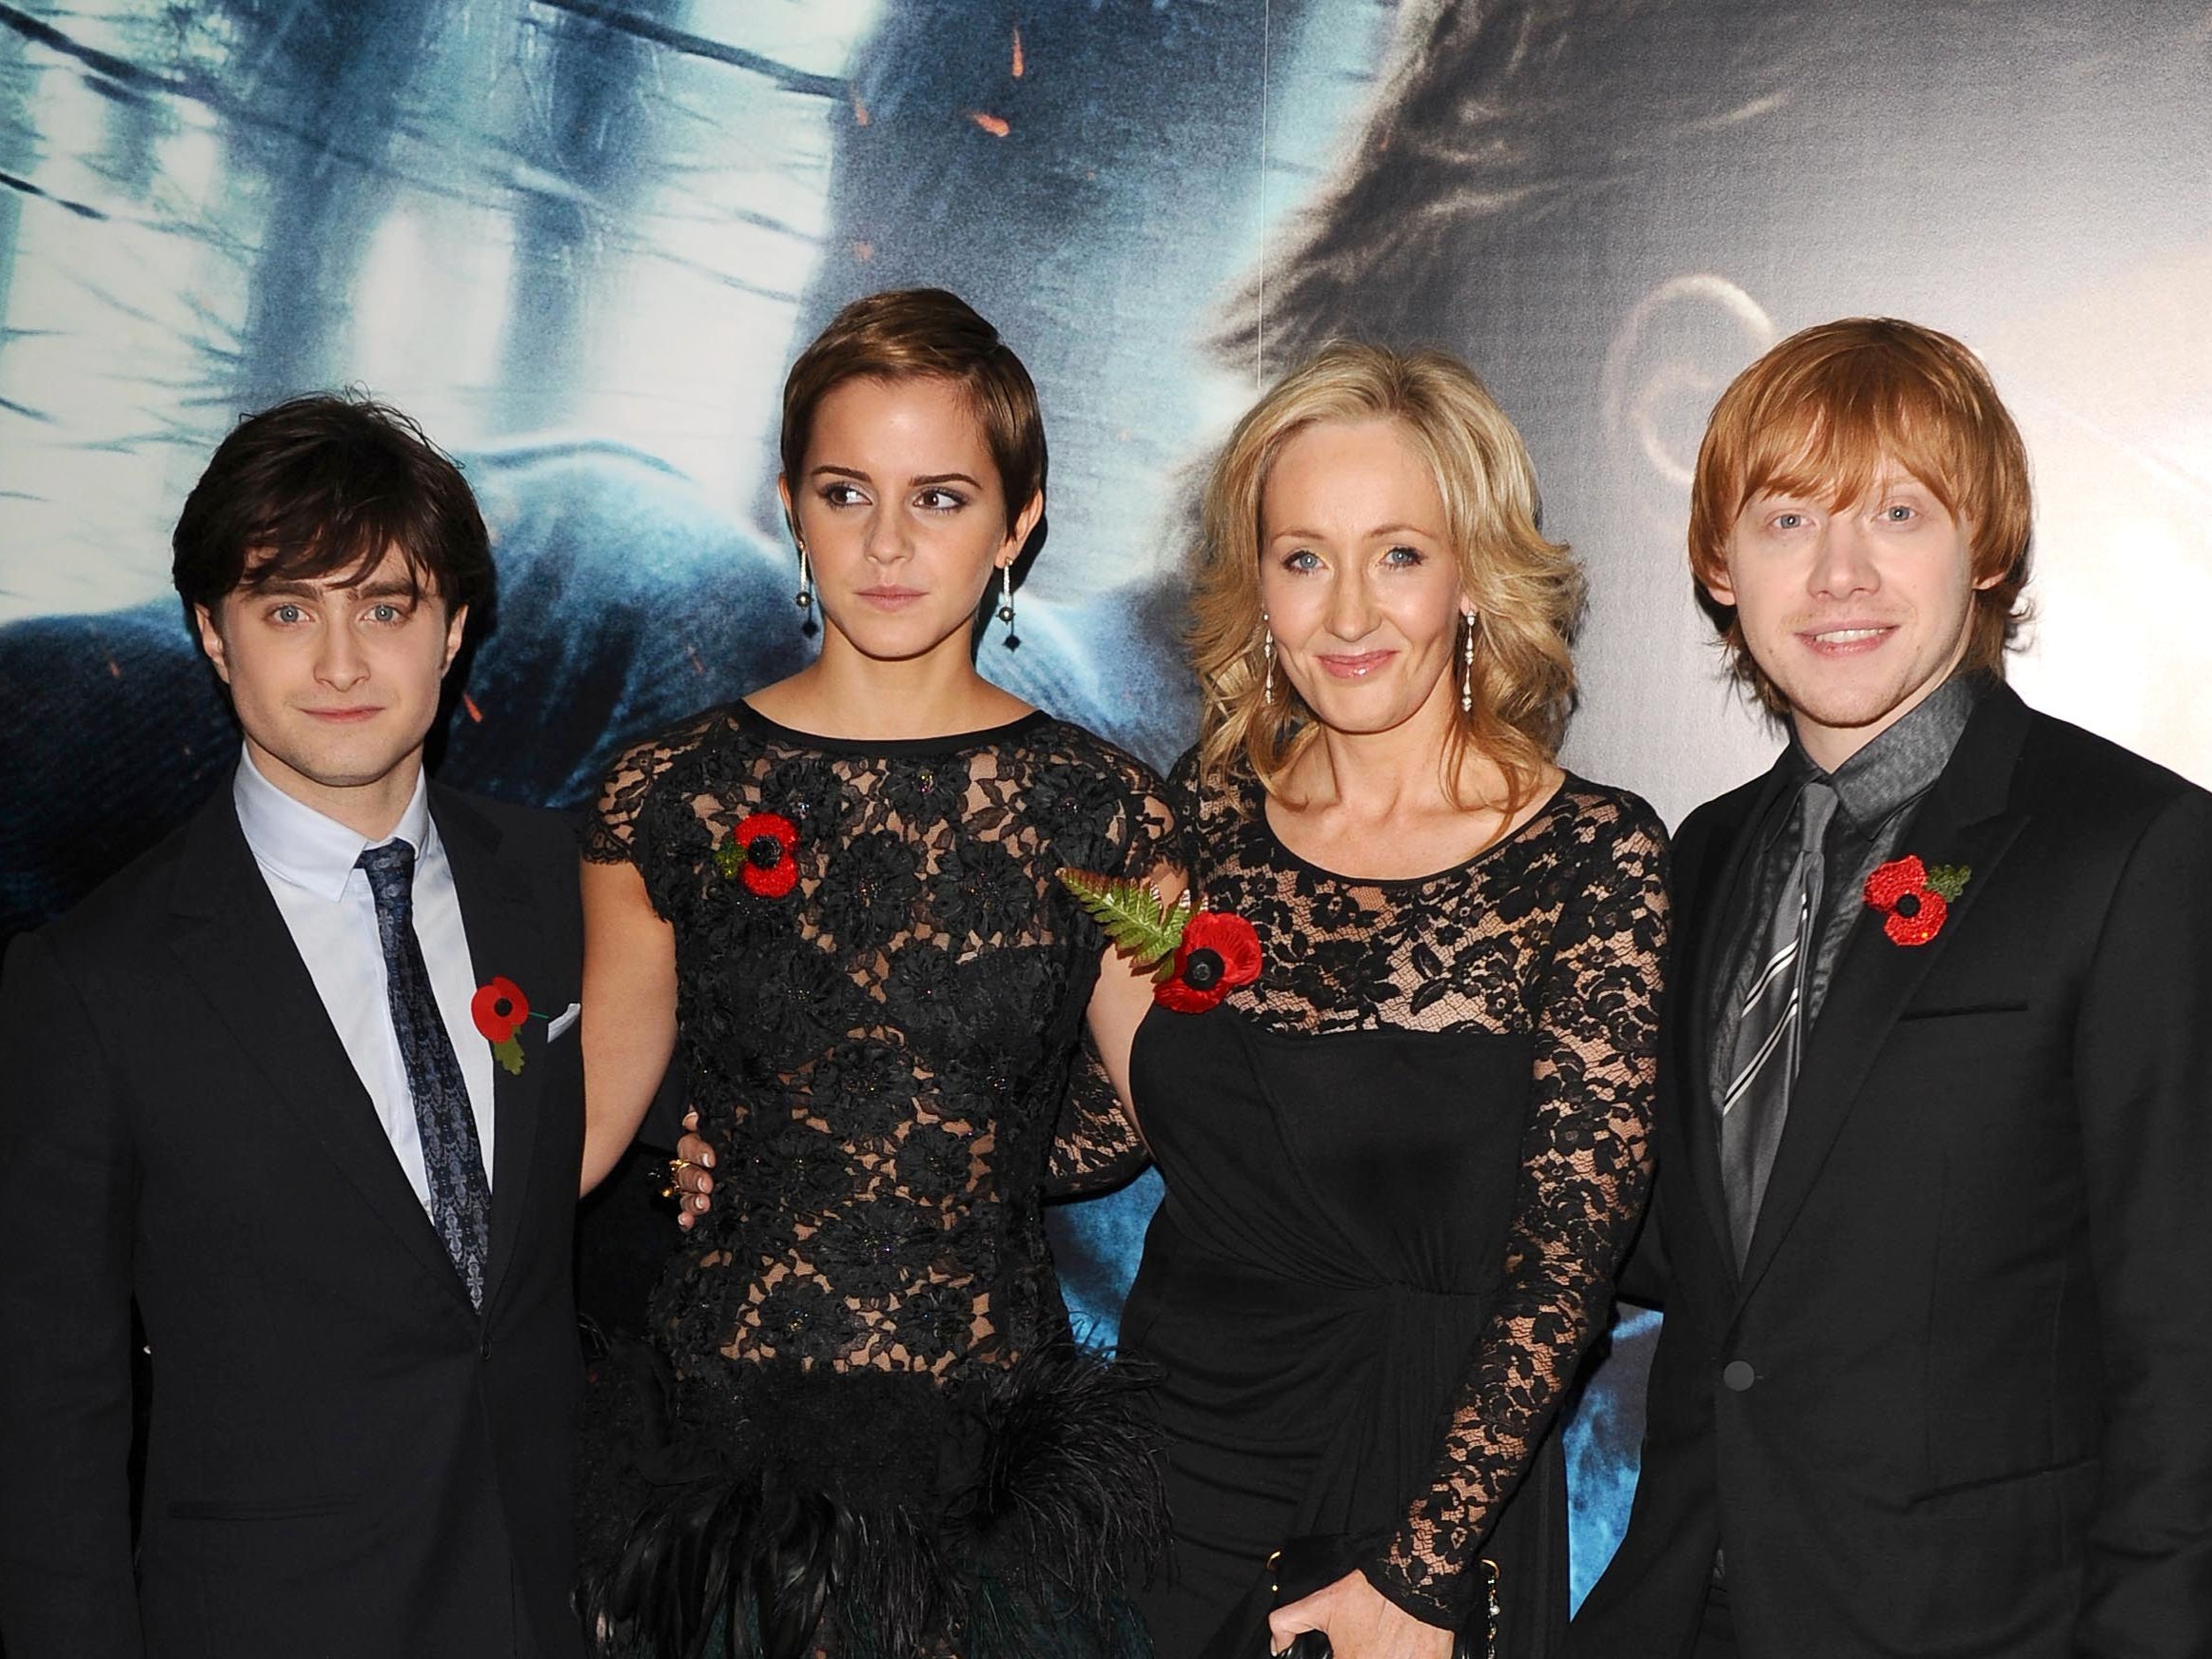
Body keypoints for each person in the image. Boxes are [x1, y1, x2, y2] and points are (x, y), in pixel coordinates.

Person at [1568, 318, 2212, 1658]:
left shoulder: (2131, 847)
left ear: (1984, 545)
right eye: (1786, 518)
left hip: (1980, 1625)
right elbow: (1686, 1255)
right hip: (1683, 1608)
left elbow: (2185, 1332)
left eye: (1897, 513)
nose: (1837, 573)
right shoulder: (1698, 856)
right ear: (1716, 563)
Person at [573, 287, 1178, 1658]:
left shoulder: (1101, 812)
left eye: (942, 497)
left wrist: (969, 1139)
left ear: (1019, 520)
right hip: (716, 1475)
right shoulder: (670, 797)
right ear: (789, 502)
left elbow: (1171, 1111)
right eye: (848, 492)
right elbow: (592, 1111)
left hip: (991, 1486)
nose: (889, 544)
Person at [0, 395, 589, 1657]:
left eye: (384, 607)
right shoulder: (92, 980)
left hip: (546, 1606)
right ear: (213, 637)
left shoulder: (558, 891)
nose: (339, 664)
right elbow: (50, 1418)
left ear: (455, 631)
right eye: (285, 610)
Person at [1110, 343, 1666, 1659]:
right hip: (1157, 1476)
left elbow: (1565, 1266)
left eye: (1398, 554)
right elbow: (1096, 1135)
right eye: (1302, 557)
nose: (1348, 612)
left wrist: (1416, 1578)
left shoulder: (1589, 857)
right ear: (1257, 587)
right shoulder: (1205, 826)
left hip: (1412, 1502)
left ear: (1471, 573)